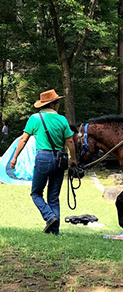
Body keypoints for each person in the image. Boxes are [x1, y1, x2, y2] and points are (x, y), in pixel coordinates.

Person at [10, 89, 77, 235]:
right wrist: (74, 160)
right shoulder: (62, 120)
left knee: (36, 193)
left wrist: (14, 158)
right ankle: (55, 230)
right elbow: (70, 141)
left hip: (43, 158)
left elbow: (23, 139)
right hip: (60, 159)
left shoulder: (35, 118)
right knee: (53, 197)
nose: (59, 105)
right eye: (58, 102)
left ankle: (49, 217)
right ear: (53, 104)